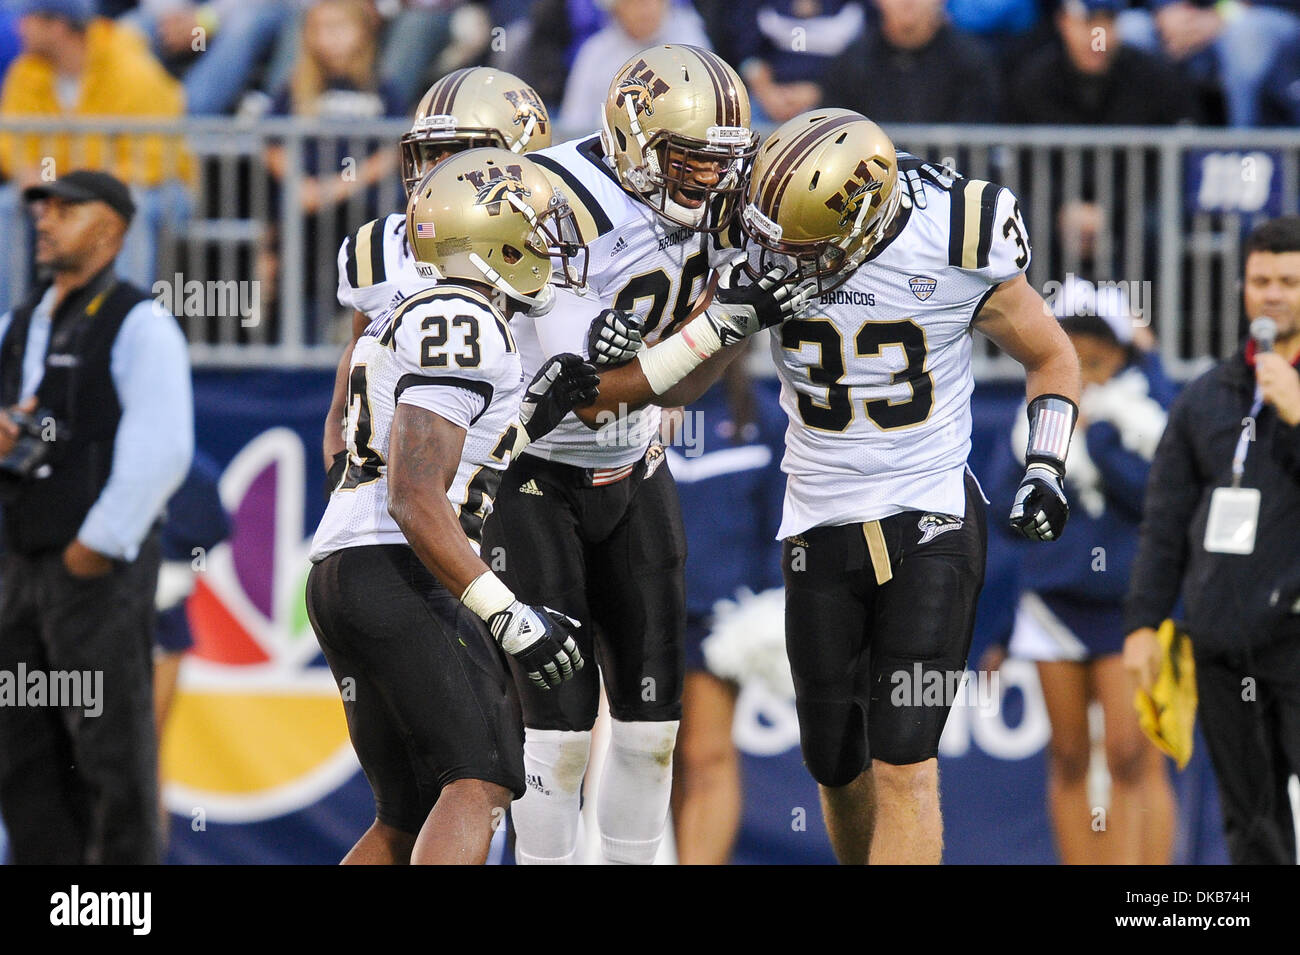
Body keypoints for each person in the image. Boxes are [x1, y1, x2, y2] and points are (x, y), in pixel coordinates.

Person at [480, 44, 801, 865]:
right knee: (557, 735)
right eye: (693, 162)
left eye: (724, 164)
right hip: (535, 467)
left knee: (653, 726)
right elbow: (586, 388)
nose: (711, 183)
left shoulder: (719, 209)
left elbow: (675, 391)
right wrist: (722, 320)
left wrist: (736, 322)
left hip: (633, 469)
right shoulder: (550, 198)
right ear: (634, 138)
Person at [735, 109, 1081, 864]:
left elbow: (1052, 355)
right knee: (833, 760)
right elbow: (686, 373)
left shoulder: (957, 231)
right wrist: (720, 323)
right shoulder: (759, 222)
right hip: (817, 518)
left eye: (804, 239)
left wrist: (1047, 463)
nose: (783, 252)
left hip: (930, 516)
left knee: (905, 758)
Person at [305, 149, 599, 865]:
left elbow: (403, 455)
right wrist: (510, 615)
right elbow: (414, 494)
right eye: (533, 231)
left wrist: (529, 414)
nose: (546, 246)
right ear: (489, 237)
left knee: (403, 814)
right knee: (480, 779)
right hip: (398, 564)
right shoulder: (463, 317)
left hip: (349, 563)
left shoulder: (419, 310)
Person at [0, 169, 194, 864]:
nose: (45, 219)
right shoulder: (18, 323)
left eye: (65, 209)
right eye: (42, 209)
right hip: (19, 565)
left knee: (112, 751)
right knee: (22, 752)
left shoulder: (139, 322)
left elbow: (163, 446)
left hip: (93, 570)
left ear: (111, 227)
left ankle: (120, 907)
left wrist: (98, 543)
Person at [1124, 215, 1300, 865]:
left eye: (1288, 280)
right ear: (1242, 288)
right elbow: (1165, 519)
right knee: (1250, 818)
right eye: (1260, 280)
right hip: (1223, 636)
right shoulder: (1205, 397)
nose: (1273, 293)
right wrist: (1144, 621)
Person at [997, 306, 1175, 864]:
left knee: (1131, 756)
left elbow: (1159, 502)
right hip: (1055, 605)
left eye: (1100, 350)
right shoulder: (1033, 423)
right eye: (1074, 346)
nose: (1087, 359)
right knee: (1070, 757)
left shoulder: (1151, 413)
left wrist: (1101, 444)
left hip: (1129, 607)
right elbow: (1004, 512)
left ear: (1124, 354)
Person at [323, 65, 554, 488]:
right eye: (430, 154)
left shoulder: (554, 247)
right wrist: (340, 456)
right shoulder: (376, 249)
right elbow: (358, 358)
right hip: (414, 475)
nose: (437, 170)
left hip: (528, 467)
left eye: (458, 153)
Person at [667, 356, 786, 865]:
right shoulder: (628, 416)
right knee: (652, 759)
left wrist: (769, 604)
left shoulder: (763, 415)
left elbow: (783, 521)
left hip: (721, 619)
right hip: (642, 613)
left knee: (706, 756)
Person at [0, 0, 193, 311]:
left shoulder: (129, 68)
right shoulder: (28, 71)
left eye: (29, 19)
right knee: (6, 206)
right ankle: (7, 336)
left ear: (58, 25)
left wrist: (89, 191)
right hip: (67, 192)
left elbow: (155, 158)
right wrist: (35, 177)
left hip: (159, 190)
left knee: (128, 208)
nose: (19, 27)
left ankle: (122, 330)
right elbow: (13, 144)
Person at [263, 0, 406, 340]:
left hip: (363, 207)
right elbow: (271, 143)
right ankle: (299, 341)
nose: (328, 38)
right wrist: (302, 184)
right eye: (319, 29)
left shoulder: (382, 88)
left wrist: (338, 187)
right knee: (299, 259)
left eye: (338, 28)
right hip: (304, 208)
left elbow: (392, 150)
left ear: (362, 32)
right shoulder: (295, 88)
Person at [1007, 0, 1199, 125]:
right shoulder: (1033, 81)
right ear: (1063, 22)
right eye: (1088, 21)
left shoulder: (1154, 78)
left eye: (1108, 21)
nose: (1099, 37)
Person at [1118, 0, 1300, 126]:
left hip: (1258, 16)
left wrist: (1220, 15)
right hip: (1176, 21)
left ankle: (1245, 149)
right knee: (1129, 30)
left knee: (1245, 34)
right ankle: (1132, 150)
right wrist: (1166, 8)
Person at [829, 0, 1002, 123]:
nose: (908, 2)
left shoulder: (970, 60)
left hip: (948, 171)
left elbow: (976, 135)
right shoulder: (851, 62)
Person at [557, 0, 712, 131]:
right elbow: (574, 123)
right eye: (634, 3)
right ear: (615, 8)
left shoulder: (691, 46)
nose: (645, 9)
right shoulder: (595, 53)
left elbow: (706, 114)